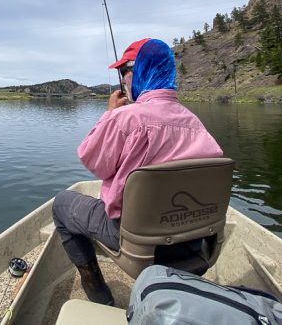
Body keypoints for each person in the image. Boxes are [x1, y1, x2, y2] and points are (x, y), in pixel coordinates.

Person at [52, 38, 223, 305]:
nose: (122, 81)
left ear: (140, 70)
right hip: (195, 246)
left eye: (124, 73)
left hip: (138, 248)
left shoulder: (126, 118)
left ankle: (98, 295)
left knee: (62, 204)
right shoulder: (196, 123)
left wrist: (110, 113)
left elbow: (92, 160)